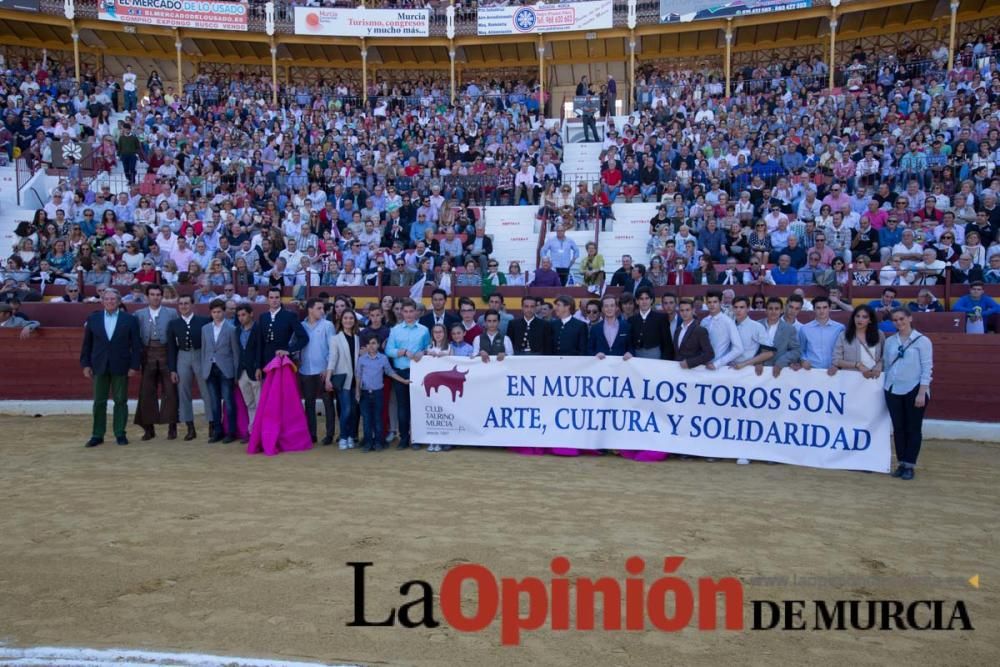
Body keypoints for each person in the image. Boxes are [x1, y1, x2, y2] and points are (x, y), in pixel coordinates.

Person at [79, 289, 142, 447]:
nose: (110, 301)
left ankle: (120, 433)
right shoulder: (93, 318)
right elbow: (87, 344)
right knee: (99, 401)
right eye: (107, 299)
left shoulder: (129, 319)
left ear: (119, 301)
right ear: (102, 301)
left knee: (121, 400)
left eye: (113, 299)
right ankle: (97, 434)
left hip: (121, 364)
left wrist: (134, 365)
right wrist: (85, 364)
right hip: (99, 364)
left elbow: (136, 345)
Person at [883, 308, 934, 480]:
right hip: (893, 389)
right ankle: (901, 463)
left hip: (915, 389)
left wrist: (922, 392)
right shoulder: (890, 341)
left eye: (902, 319)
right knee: (898, 428)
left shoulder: (923, 341)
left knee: (913, 428)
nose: (899, 322)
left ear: (910, 318)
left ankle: (910, 465)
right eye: (895, 320)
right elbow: (886, 365)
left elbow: (927, 368)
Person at [133, 284, 179, 441]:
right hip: (147, 355)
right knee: (146, 392)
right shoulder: (138, 314)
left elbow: (176, 336)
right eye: (152, 294)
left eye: (158, 294)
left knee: (171, 392)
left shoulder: (172, 313)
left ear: (162, 296)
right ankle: (148, 427)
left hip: (166, 353)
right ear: (147, 296)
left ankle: (172, 426)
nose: (155, 297)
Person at [385, 298, 430, 450]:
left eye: (412, 311)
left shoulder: (424, 330)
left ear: (416, 312)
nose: (409, 314)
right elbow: (388, 351)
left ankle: (416, 438)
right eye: (406, 311)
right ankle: (404, 438)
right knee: (403, 407)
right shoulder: (395, 330)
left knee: (417, 406)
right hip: (402, 371)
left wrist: (423, 352)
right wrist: (403, 351)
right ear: (401, 312)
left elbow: (428, 347)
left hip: (418, 371)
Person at [356, 334, 411, 453]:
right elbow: (358, 376)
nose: (371, 346)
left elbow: (390, 372)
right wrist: (357, 392)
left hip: (378, 393)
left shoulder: (383, 358)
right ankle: (368, 442)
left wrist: (403, 380)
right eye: (369, 343)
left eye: (374, 343)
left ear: (378, 345)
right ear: (366, 345)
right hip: (365, 393)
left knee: (378, 418)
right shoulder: (361, 359)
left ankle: (378, 442)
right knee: (366, 419)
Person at [166, 294, 211, 441]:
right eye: (181, 304)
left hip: (200, 356)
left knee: (206, 392)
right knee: (183, 392)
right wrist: (173, 369)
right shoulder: (174, 324)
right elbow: (171, 348)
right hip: (182, 356)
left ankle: (212, 424)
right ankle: (190, 427)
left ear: (192, 305)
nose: (183, 306)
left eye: (186, 303)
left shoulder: (204, 321)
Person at [199, 299, 241, 443]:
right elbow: (204, 351)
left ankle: (231, 431)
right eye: (214, 312)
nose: (216, 315)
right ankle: (218, 431)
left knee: (228, 402)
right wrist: (204, 369)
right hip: (210, 368)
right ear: (211, 313)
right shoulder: (205, 329)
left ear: (224, 312)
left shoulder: (231, 329)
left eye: (219, 312)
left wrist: (236, 374)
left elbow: (235, 353)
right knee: (214, 403)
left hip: (226, 369)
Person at [298, 298, 337, 445]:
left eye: (322, 308)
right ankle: (311, 434)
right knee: (309, 403)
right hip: (306, 370)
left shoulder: (328, 325)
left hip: (322, 370)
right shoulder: (301, 326)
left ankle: (329, 434)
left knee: (327, 402)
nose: (322, 311)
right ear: (310, 309)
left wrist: (328, 369)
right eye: (319, 308)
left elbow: (332, 349)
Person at [330, 309, 362, 448]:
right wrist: (328, 377)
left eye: (351, 318)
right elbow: (332, 358)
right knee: (346, 409)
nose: (348, 320)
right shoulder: (335, 338)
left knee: (353, 410)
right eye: (345, 318)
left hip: (355, 379)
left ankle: (350, 435)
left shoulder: (357, 338)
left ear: (354, 321)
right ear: (341, 320)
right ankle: (343, 436)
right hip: (343, 379)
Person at [257, 286, 308, 368]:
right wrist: (258, 366)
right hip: (266, 361)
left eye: (277, 297)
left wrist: (289, 351)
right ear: (267, 300)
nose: (274, 300)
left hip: (283, 361)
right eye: (271, 297)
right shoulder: (263, 317)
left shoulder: (290, 316)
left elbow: (304, 338)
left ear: (281, 299)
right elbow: (260, 342)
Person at [831, 305, 884, 380]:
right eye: (857, 316)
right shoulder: (844, 335)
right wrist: (857, 365)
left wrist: (880, 364)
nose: (860, 319)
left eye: (864, 317)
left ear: (870, 320)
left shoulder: (879, 334)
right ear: (853, 318)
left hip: (874, 379)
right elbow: (836, 360)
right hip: (850, 379)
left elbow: (884, 356)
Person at [234, 304, 262, 433]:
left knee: (260, 403)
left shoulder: (258, 328)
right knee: (249, 403)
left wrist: (259, 367)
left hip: (255, 371)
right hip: (242, 372)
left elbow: (260, 350)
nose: (241, 318)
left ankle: (261, 431)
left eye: (243, 314)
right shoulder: (237, 330)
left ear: (251, 314)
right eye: (239, 315)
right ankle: (253, 431)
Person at [798, 296, 845, 370]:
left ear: (830, 308)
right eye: (818, 308)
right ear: (814, 309)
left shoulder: (840, 328)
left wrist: (837, 365)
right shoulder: (805, 329)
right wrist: (803, 360)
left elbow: (843, 350)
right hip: (811, 370)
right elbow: (801, 350)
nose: (822, 311)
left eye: (825, 307)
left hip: (834, 370)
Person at [701, 290, 744, 370]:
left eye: (715, 302)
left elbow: (738, 349)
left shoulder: (728, 322)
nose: (712, 305)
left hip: (720, 369)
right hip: (703, 366)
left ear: (721, 303)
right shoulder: (704, 321)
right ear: (706, 304)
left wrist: (718, 364)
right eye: (709, 302)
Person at [627, 286, 672, 360]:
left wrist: (665, 361)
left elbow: (667, 344)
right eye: (641, 299)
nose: (644, 302)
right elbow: (630, 342)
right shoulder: (631, 320)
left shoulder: (661, 318)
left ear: (651, 300)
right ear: (637, 301)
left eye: (647, 298)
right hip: (636, 356)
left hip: (655, 356)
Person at [761, 296, 801, 377]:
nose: (773, 311)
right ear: (766, 310)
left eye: (776, 309)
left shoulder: (789, 329)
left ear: (782, 310)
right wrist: (757, 362)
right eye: (770, 308)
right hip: (755, 371)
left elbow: (796, 350)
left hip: (779, 372)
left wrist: (781, 362)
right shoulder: (757, 325)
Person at [673, 298, 714, 370]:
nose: (684, 313)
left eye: (687, 310)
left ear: (693, 310)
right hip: (677, 371)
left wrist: (689, 363)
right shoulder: (678, 330)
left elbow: (709, 354)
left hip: (693, 372)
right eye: (682, 310)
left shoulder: (700, 330)